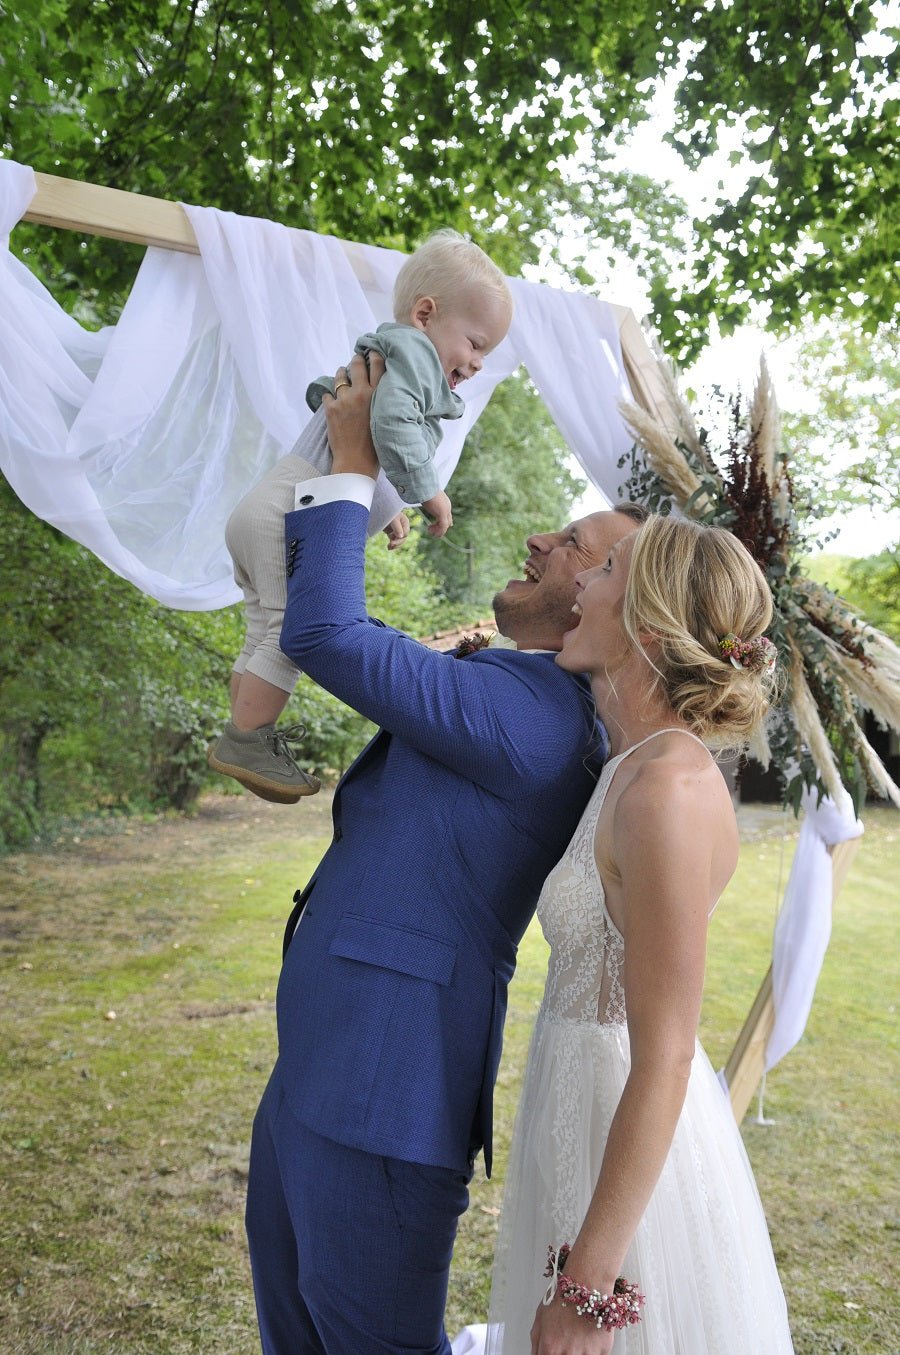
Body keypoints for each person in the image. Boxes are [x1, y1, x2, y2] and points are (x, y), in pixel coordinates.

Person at [242, 349, 646, 1355]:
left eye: (578, 546)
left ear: (615, 602)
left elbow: (328, 629)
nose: (541, 537)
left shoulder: (538, 715)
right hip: (325, 1066)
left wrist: (348, 454)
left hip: (386, 1093)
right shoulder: (510, 687)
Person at [486, 515, 794, 1354]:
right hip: (576, 1109)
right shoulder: (628, 761)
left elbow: (665, 1052)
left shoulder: (667, 789)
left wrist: (586, 1289)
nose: (579, 584)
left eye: (607, 568)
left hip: (626, 1139)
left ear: (648, 624)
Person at [208, 229, 513, 803]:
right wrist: (427, 492)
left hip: (269, 503)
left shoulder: (386, 354)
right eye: (475, 344)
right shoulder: (415, 362)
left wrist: (386, 505)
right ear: (425, 314)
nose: (476, 364)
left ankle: (247, 730)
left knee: (261, 627)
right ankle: (247, 738)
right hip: (288, 515)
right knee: (288, 633)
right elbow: (393, 424)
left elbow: (357, 438)